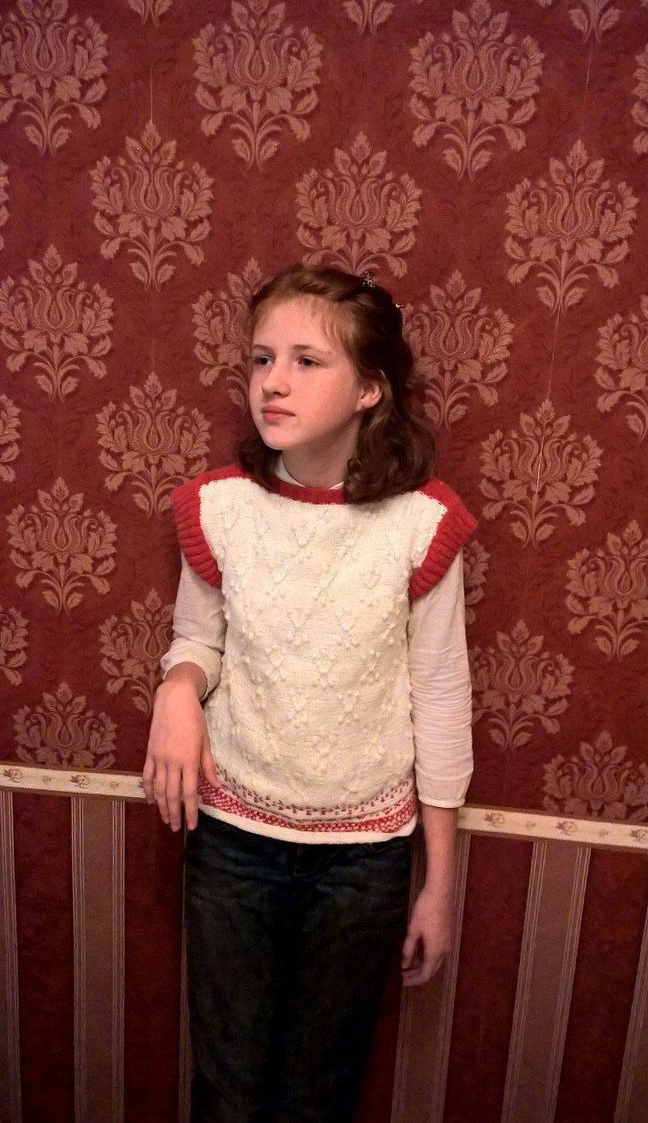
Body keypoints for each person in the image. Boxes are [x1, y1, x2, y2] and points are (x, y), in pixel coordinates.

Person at [143, 263, 477, 1123]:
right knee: (228, 1092)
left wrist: (438, 884)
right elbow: (198, 641)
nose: (274, 382)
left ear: (370, 388)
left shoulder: (422, 525)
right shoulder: (221, 509)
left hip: (363, 862)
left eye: (306, 361)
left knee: (319, 1097)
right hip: (232, 844)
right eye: (261, 359)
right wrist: (177, 690)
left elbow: (441, 698)